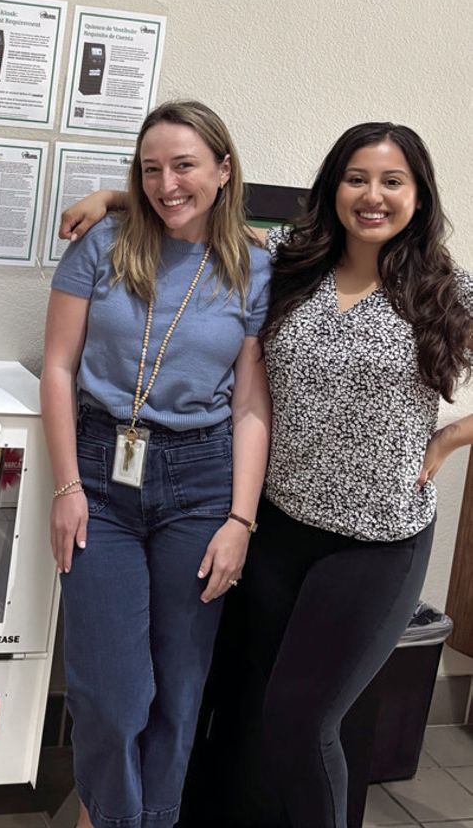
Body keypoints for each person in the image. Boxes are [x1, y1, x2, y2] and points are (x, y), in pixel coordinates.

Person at [61, 122, 473, 827]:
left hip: (376, 540)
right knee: (236, 704)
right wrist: (112, 199)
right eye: (356, 179)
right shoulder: (292, 260)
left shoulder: (445, 288)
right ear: (333, 189)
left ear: (419, 195)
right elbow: (193, 206)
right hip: (277, 525)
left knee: (303, 722)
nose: (371, 196)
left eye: (391, 182)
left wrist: (450, 440)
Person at [41, 99, 272, 828]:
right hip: (99, 473)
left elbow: (251, 405)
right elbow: (58, 368)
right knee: (110, 695)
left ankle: (154, 818)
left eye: (184, 166)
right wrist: (67, 485)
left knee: (179, 688)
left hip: (203, 483)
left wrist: (241, 520)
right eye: (149, 170)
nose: (166, 184)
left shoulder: (255, 267)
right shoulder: (102, 244)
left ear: (224, 170)